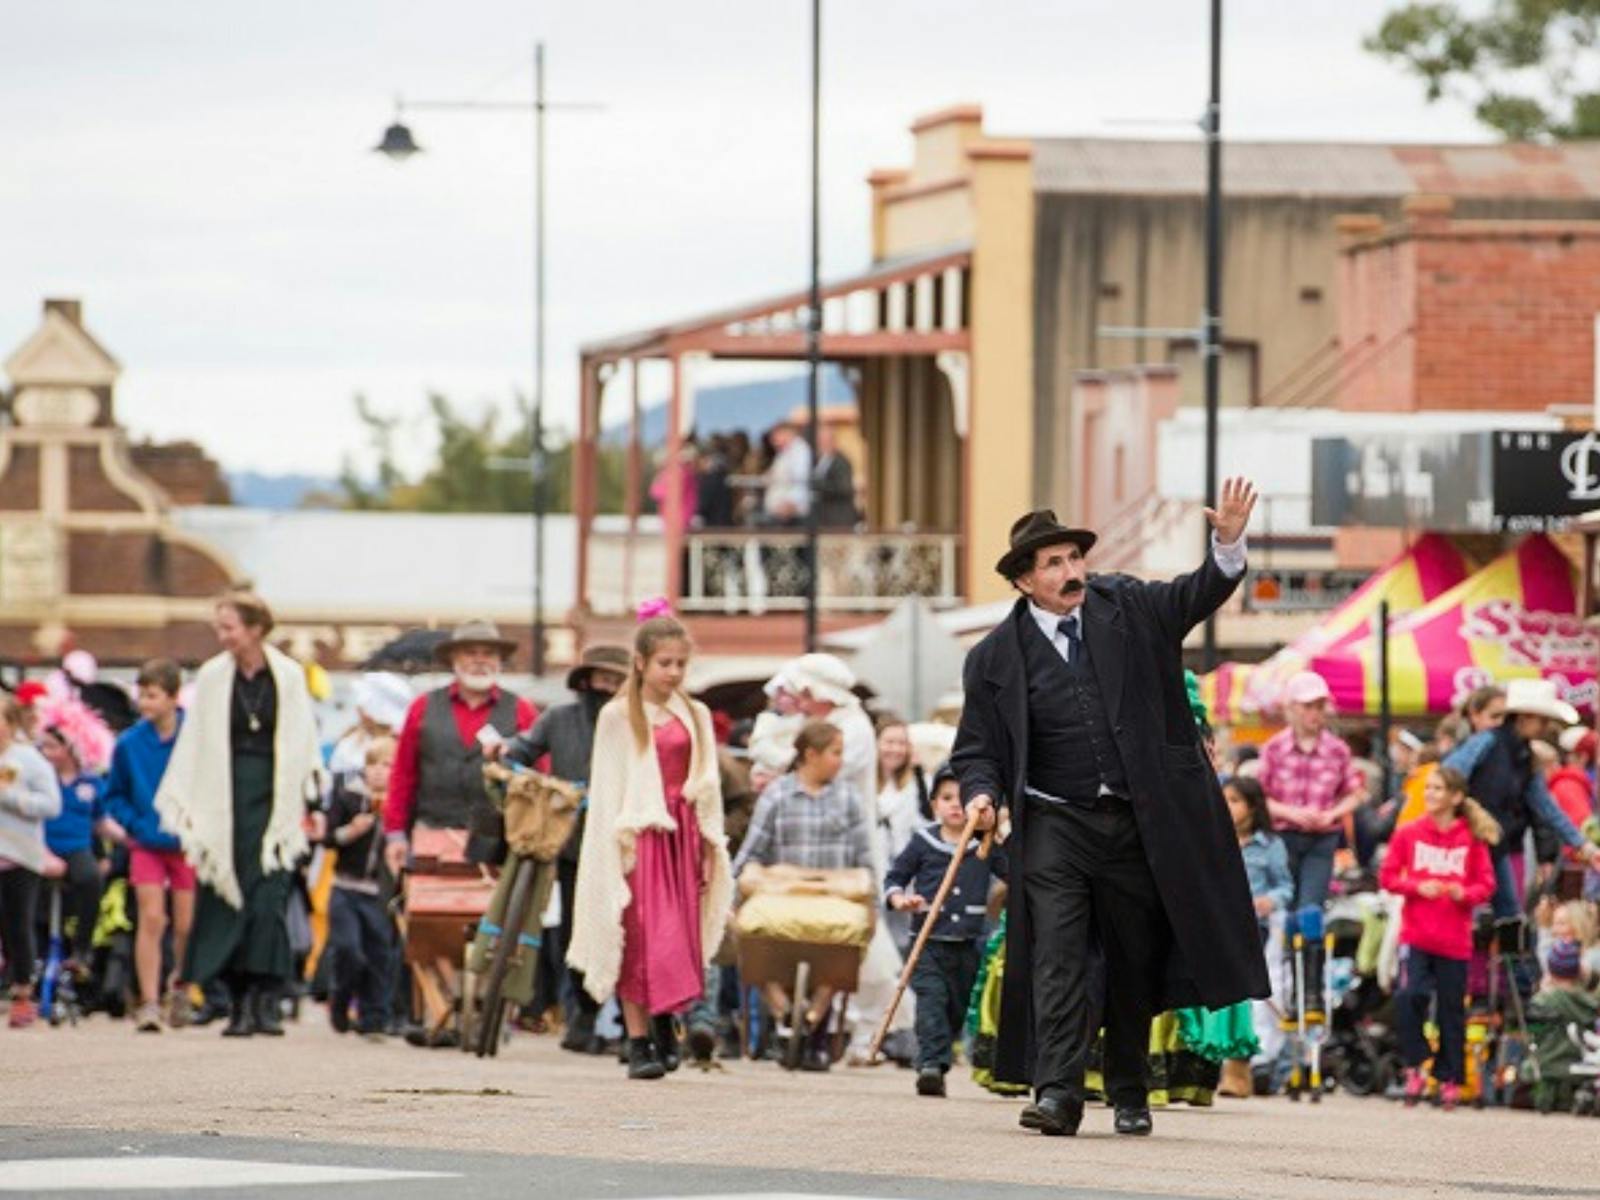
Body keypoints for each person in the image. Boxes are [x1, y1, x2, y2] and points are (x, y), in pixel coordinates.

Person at [952, 477, 1268, 1138]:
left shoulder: (1126, 606)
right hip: (1054, 822)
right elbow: (977, 747)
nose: (1072, 573)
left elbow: (1195, 593)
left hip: (1137, 819)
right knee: (1058, 957)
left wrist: (1228, 543)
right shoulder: (991, 659)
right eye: (1054, 564)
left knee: (1134, 957)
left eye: (1074, 558)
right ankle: (1059, 1092)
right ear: (1025, 581)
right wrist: (980, 792)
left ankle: (1129, 1089)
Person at [567, 616, 734, 1081]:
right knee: (639, 934)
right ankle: (637, 1039)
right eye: (665, 663)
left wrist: (706, 842)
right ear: (640, 663)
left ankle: (665, 1023)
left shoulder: (695, 714)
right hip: (639, 835)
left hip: (682, 833)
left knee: (677, 937)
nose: (674, 672)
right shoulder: (617, 717)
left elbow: (707, 787)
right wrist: (615, 850)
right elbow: (608, 789)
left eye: (681, 663)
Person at [155, 590, 324, 1038]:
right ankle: (234, 1001)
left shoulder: (287, 674)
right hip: (224, 796)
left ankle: (262, 998)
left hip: (274, 798)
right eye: (219, 627)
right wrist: (191, 804)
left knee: (267, 901)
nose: (222, 635)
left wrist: (307, 804)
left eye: (229, 626)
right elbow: (197, 742)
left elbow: (303, 741)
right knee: (225, 900)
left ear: (255, 629)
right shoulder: (212, 676)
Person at [770, 653, 908, 1063]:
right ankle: (807, 1026)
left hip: (844, 849)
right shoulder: (820, 725)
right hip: (804, 850)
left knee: (847, 944)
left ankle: (870, 1027)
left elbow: (822, 779)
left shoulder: (854, 729)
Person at [498, 642, 630, 1056]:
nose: (607, 686)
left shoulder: (636, 725)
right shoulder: (558, 719)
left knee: (628, 932)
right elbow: (520, 752)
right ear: (586, 681)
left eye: (616, 679)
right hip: (572, 844)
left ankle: (631, 1027)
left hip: (626, 844)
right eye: (601, 678)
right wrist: (502, 756)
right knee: (575, 933)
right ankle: (582, 1019)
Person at [733, 720, 873, 1071]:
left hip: (833, 898)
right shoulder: (777, 794)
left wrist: (874, 900)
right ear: (811, 754)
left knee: (841, 952)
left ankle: (809, 1018)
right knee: (752, 941)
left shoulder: (848, 797)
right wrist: (734, 894)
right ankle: (785, 1014)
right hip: (782, 898)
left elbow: (865, 857)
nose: (841, 760)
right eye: (835, 752)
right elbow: (752, 851)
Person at [884, 764, 1008, 1097]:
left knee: (956, 1007)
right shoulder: (922, 842)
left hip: (970, 944)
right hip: (927, 941)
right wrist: (899, 899)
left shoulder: (984, 845)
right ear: (934, 804)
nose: (955, 804)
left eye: (963, 798)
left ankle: (943, 1049)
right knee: (931, 1001)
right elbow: (895, 877)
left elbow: (1013, 873)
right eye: (946, 797)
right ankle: (930, 1066)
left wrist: (1000, 833)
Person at [1379, 765, 1498, 1111]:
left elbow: (1486, 885)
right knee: (1409, 996)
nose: (1430, 794)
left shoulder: (1471, 838)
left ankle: (1449, 1079)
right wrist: (1417, 886)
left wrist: (1464, 893)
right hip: (1416, 935)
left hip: (1454, 941)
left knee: (1450, 1011)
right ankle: (1415, 1064)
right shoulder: (1409, 833)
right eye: (1428, 788)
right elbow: (1388, 877)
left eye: (1438, 789)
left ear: (1456, 797)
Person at [383, 619, 537, 873]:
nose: (480, 660)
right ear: (454, 658)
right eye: (470, 652)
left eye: (488, 653)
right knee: (431, 909)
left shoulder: (523, 711)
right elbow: (402, 775)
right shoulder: (421, 707)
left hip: (500, 841)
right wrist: (395, 834)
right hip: (431, 833)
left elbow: (538, 778)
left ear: (499, 661)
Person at [1442, 678, 1600, 919]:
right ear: (1524, 716)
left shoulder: (1525, 755)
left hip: (1494, 846)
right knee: (1482, 914)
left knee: (1507, 916)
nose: (1545, 726)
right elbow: (1449, 775)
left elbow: (1547, 807)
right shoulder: (1488, 742)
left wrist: (1583, 845)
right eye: (1542, 720)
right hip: (1467, 845)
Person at [101, 660, 193, 1032]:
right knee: (152, 918)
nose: (144, 703)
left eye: (152, 695)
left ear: (173, 697)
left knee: (187, 923)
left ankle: (181, 988)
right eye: (141, 694)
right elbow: (114, 795)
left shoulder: (196, 737)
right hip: (147, 843)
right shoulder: (128, 743)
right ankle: (150, 1001)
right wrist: (136, 824)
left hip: (188, 842)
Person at [1256, 671, 1367, 911]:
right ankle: (1286, 949)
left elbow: (1356, 794)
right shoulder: (1273, 748)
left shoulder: (1338, 750)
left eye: (1320, 706)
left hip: (1322, 839)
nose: (1315, 713)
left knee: (1311, 908)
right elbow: (1258, 798)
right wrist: (1290, 813)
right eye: (1308, 706)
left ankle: (1309, 949)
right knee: (1284, 905)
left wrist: (1332, 813)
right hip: (1282, 838)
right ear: (1292, 708)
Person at [1219, 775, 1290, 1098]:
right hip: (1215, 923)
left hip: (1252, 927)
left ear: (1252, 807)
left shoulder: (1270, 845)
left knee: (1242, 997)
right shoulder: (1212, 836)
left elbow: (1285, 886)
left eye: (1235, 801)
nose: (1227, 806)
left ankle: (1238, 1070)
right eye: (1225, 799)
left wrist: (1270, 901)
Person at [324, 736, 397, 1039]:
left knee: (380, 955)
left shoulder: (397, 808)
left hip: (378, 892)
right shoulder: (349, 796)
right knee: (349, 949)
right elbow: (328, 838)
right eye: (373, 765)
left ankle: (374, 1018)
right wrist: (351, 831)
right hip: (345, 886)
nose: (379, 772)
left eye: (387, 765)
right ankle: (339, 998)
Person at [37, 698, 113, 978]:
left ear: (70, 748)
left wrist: (122, 844)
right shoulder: (40, 777)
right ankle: (34, 951)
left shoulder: (91, 783)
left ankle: (82, 948)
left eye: (52, 747)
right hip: (41, 846)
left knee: (91, 878)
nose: (45, 752)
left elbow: (102, 822)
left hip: (76, 847)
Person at [0, 695, 61, 1029]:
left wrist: (11, 798)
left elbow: (52, 804)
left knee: (17, 926)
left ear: (10, 723)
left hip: (20, 856)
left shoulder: (28, 759)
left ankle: (24, 992)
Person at [1526, 938, 1600, 1112]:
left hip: (1548, 1066)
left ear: (1550, 970)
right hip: (1582, 1067)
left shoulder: (1542, 1001)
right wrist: (1591, 978)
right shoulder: (1590, 1003)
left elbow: (1531, 1033)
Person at [761, 421, 811, 525]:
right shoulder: (784, 452)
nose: (773, 441)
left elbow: (801, 479)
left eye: (775, 437)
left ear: (786, 433)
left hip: (789, 512)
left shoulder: (799, 451)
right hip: (778, 510)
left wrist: (791, 503)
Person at [812, 425, 858, 529]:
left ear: (833, 441)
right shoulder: (820, 460)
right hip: (823, 518)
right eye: (819, 441)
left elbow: (844, 487)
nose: (820, 444)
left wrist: (817, 484)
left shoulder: (841, 461)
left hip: (839, 518)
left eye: (824, 441)